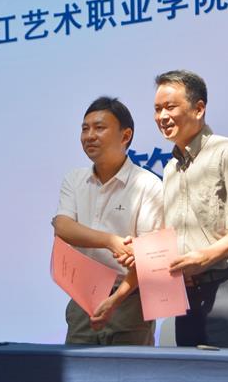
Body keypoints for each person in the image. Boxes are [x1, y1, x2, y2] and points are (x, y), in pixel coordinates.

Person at [153, 70, 228, 348]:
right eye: (158, 109)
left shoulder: (227, 152)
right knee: (191, 371)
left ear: (198, 109)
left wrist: (205, 257)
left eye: (170, 107)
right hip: (186, 297)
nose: (162, 116)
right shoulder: (171, 168)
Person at [53, 96, 163, 345]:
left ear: (126, 136)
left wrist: (116, 300)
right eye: (85, 129)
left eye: (99, 128)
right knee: (78, 367)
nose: (89, 136)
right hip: (83, 299)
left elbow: (148, 256)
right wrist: (111, 241)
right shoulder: (75, 180)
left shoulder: (148, 185)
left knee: (129, 367)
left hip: (130, 301)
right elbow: (63, 227)